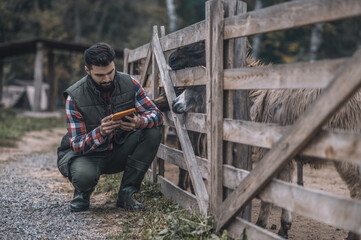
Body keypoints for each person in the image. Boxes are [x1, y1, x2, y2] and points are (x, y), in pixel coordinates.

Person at [57, 42, 163, 212]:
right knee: (84, 176)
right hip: (89, 155)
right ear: (87, 70)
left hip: (118, 149)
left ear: (114, 65)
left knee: (152, 133)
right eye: (100, 75)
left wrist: (138, 122)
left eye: (110, 72)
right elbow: (76, 145)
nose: (107, 79)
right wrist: (100, 132)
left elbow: (156, 114)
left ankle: (126, 195)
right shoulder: (74, 97)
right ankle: (82, 193)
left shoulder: (130, 83)